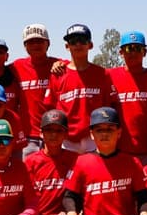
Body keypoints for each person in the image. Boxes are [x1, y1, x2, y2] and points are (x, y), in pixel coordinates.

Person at [45, 23, 117, 153]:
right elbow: (50, 110)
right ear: (67, 46)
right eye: (73, 41)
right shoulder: (58, 74)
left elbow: (110, 106)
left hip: (94, 138)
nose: (78, 45)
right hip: (66, 140)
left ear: (90, 45)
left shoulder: (102, 74)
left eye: (82, 40)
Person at [107, 31, 147, 164]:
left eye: (137, 48)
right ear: (121, 52)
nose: (133, 52)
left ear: (145, 52)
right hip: (117, 150)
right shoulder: (109, 76)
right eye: (128, 48)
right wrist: (61, 64)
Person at [11, 24, 62, 157]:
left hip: (55, 133)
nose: (35, 45)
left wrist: (61, 64)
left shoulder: (60, 66)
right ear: (25, 46)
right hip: (28, 137)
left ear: (48, 43)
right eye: (30, 42)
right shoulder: (16, 67)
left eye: (39, 41)